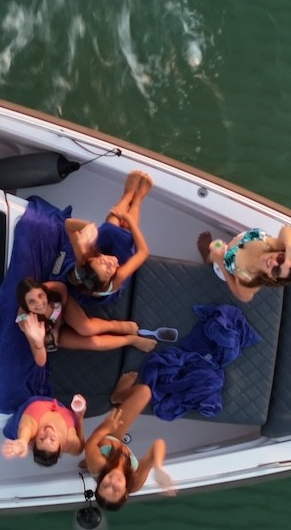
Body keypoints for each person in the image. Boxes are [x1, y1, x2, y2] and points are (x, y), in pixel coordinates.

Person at [83, 371, 177, 511]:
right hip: (118, 445)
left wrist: (106, 428)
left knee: (143, 392)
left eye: (105, 485)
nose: (112, 481)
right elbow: (158, 444)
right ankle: (117, 397)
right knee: (145, 392)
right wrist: (158, 467)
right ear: (126, 493)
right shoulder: (136, 482)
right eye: (116, 490)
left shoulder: (98, 465)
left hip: (108, 434)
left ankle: (118, 396)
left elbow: (90, 443)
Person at [16, 277, 156, 369]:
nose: (39, 303)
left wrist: (60, 320)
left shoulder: (51, 288)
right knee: (94, 343)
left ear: (44, 291)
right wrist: (39, 342)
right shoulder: (29, 324)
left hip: (62, 311)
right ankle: (130, 340)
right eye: (32, 302)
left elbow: (63, 289)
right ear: (26, 305)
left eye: (40, 296)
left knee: (87, 328)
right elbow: (40, 361)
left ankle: (119, 326)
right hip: (52, 333)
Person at [64, 170, 152, 302]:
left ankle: (127, 195)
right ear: (108, 280)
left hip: (91, 266)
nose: (110, 262)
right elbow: (143, 252)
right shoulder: (117, 277)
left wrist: (89, 226)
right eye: (108, 271)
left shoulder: (83, 259)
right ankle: (137, 199)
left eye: (102, 262)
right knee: (127, 233)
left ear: (90, 259)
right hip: (109, 275)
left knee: (109, 229)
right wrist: (130, 220)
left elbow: (68, 225)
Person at [196, 225, 291, 303]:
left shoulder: (249, 279)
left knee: (213, 256)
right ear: (281, 252)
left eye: (276, 270)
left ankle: (208, 258)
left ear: (272, 277)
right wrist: (289, 246)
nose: (273, 262)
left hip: (224, 262)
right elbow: (287, 229)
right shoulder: (276, 246)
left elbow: (243, 297)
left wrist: (220, 261)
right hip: (237, 242)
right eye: (281, 258)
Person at [0, 393, 86, 466]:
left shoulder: (32, 427)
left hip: (24, 408)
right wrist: (79, 417)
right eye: (52, 440)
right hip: (51, 400)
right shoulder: (69, 440)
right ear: (61, 446)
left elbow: (25, 429)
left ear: (34, 440)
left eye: (41, 439)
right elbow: (79, 450)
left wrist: (23, 440)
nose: (48, 433)